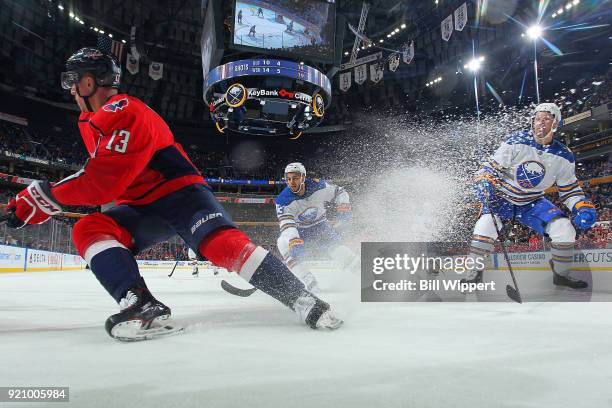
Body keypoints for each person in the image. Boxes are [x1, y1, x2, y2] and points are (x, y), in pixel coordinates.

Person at [5, 48, 342, 341]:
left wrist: (38, 197)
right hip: (141, 207)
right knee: (88, 228)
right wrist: (39, 200)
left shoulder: (125, 111)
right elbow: (108, 181)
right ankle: (140, 303)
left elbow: (103, 180)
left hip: (181, 194)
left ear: (89, 82)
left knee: (222, 245)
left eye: (72, 80)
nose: (70, 88)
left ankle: (304, 299)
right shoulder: (93, 121)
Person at [463, 102, 597, 288]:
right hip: (501, 198)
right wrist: (483, 180)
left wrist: (580, 206)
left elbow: (570, 190)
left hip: (531, 201)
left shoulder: (564, 156)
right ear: (532, 122)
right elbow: (488, 169)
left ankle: (561, 274)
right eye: (537, 119)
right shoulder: (516, 141)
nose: (540, 123)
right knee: (484, 228)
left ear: (556, 124)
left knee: (564, 228)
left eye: (546, 119)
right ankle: (473, 273)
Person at [276, 163, 357, 292]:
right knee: (282, 243)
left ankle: (362, 273)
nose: (291, 182)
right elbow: (287, 225)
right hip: (299, 231)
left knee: (339, 252)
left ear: (303, 177)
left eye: (295, 178)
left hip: (321, 227)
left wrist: (344, 205)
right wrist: (293, 239)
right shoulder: (283, 200)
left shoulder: (319, 186)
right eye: (288, 178)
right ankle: (308, 281)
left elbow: (340, 191)